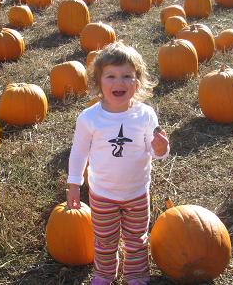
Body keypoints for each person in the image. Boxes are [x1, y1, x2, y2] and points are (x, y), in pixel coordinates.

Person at [66, 41, 169, 285]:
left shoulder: (145, 114)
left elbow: (152, 149)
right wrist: (73, 183)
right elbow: (79, 151)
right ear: (98, 82)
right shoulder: (90, 118)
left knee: (137, 239)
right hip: (102, 193)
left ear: (138, 81)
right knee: (104, 239)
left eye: (127, 76)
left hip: (136, 192)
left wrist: (160, 149)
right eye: (110, 76)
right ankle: (104, 273)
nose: (119, 82)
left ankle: (135, 275)